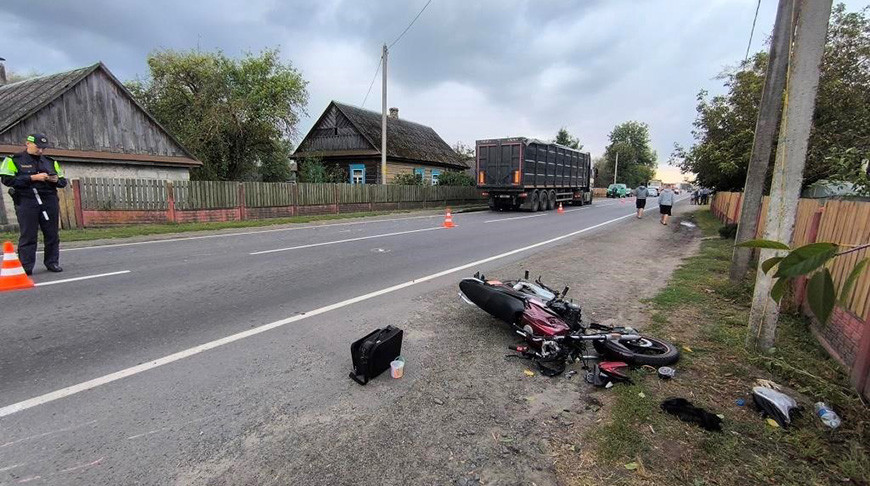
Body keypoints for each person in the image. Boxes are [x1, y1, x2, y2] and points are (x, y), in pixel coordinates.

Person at [0, 133, 67, 275]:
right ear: (28, 144)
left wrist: (55, 180)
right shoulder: (13, 160)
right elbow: (7, 180)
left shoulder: (50, 161)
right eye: (38, 147)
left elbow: (62, 181)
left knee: (52, 233)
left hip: (48, 200)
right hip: (27, 200)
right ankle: (26, 266)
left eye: (43, 148)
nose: (41, 151)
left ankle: (52, 262)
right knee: (28, 234)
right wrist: (32, 178)